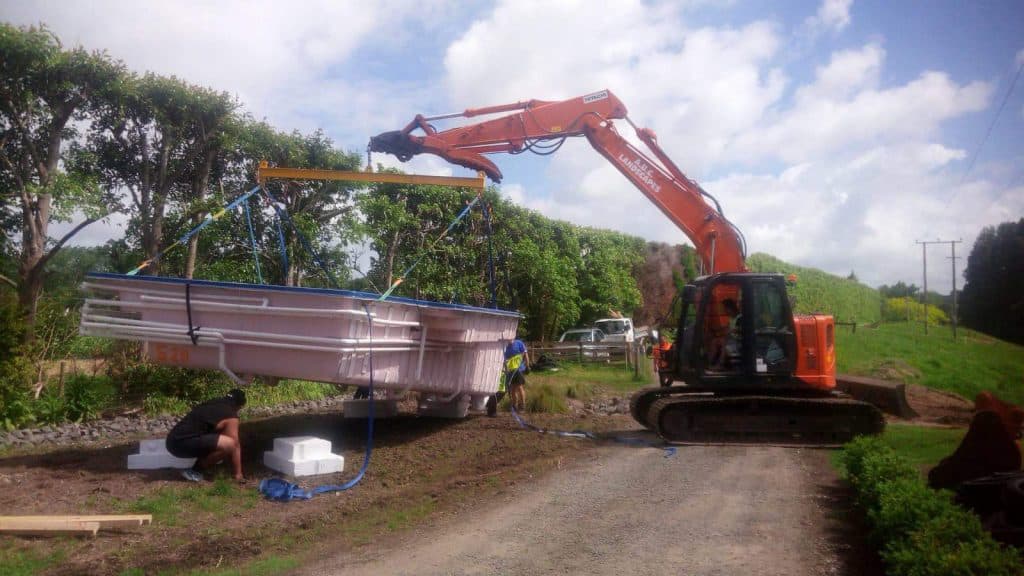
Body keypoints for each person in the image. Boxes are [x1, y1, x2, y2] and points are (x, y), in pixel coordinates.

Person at [166, 388, 246, 483]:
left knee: (220, 438)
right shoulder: (231, 414)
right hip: (181, 444)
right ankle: (194, 471)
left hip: (172, 441)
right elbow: (235, 444)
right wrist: (238, 474)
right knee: (229, 444)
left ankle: (202, 467)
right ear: (239, 406)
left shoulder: (213, 402)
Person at [708, 299, 741, 369]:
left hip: (737, 341)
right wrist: (716, 329)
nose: (724, 311)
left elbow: (737, 330)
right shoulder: (731, 318)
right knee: (714, 341)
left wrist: (728, 332)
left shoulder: (739, 318)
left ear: (730, 308)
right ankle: (710, 362)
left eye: (725, 309)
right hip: (731, 339)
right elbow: (727, 327)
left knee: (723, 341)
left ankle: (720, 364)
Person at [504, 337, 530, 411]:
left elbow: (525, 354)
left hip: (519, 369)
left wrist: (527, 366)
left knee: (519, 387)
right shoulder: (505, 347)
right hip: (510, 370)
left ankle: (522, 405)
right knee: (512, 389)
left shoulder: (519, 343)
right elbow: (504, 360)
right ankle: (514, 405)